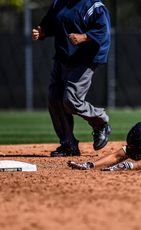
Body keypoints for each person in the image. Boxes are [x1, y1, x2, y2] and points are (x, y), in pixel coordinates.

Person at [32, 0, 112, 157]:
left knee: (71, 100)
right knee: (54, 100)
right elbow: (51, 23)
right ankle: (68, 145)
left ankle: (100, 121)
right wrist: (42, 32)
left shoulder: (94, 6)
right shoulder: (59, 3)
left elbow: (103, 31)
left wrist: (84, 37)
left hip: (84, 59)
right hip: (63, 57)